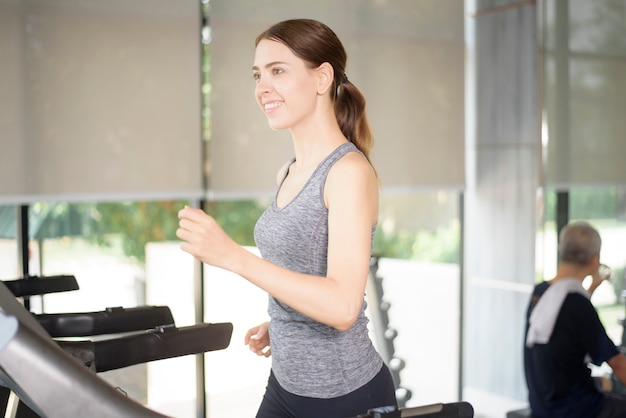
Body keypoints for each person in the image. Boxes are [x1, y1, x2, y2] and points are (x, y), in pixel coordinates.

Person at [176, 18, 397, 418]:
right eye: (258, 74)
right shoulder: (289, 171)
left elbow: (344, 306)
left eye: (278, 70)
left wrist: (233, 256)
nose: (262, 88)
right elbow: (306, 272)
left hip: (344, 395)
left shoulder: (348, 172)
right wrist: (281, 322)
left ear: (322, 78)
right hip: (286, 385)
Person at [524, 221, 626, 418]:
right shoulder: (578, 305)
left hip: (542, 406)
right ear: (594, 260)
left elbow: (565, 318)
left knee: (605, 384)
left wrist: (592, 288)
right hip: (574, 410)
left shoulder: (540, 294)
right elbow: (618, 363)